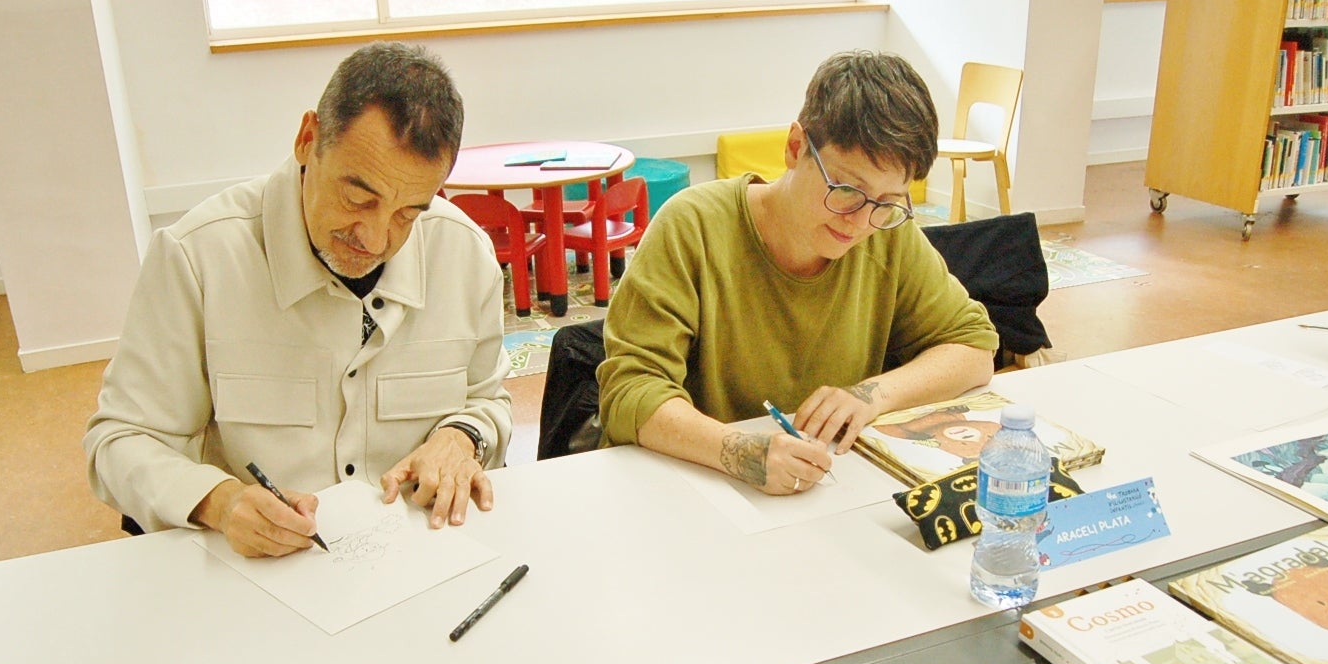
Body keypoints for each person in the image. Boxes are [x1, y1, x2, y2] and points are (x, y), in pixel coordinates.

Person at [85, 42, 511, 556]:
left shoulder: (464, 254)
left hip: (418, 557)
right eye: (358, 198)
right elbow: (120, 440)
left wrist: (462, 437)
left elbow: (486, 398)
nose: (376, 239)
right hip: (257, 569)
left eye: (408, 214)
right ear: (308, 140)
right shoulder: (198, 257)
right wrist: (219, 502)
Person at [597, 49, 998, 494]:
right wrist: (740, 451)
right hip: (696, 486)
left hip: (826, 490)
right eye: (846, 189)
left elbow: (974, 346)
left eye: (887, 202)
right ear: (795, 147)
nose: (860, 222)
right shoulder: (692, 226)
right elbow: (630, 390)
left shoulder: (888, 234)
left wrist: (870, 396)